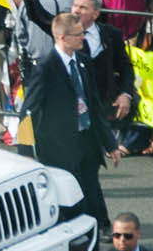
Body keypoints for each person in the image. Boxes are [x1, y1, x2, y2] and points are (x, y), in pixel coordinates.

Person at [19, 13, 118, 229]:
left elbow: (93, 104)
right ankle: (76, 229)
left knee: (92, 185)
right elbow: (28, 111)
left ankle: (101, 225)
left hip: (86, 137)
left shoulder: (82, 62)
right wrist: (26, 151)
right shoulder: (45, 67)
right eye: (78, 34)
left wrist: (110, 143)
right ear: (63, 37)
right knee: (70, 189)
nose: (83, 38)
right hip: (59, 143)